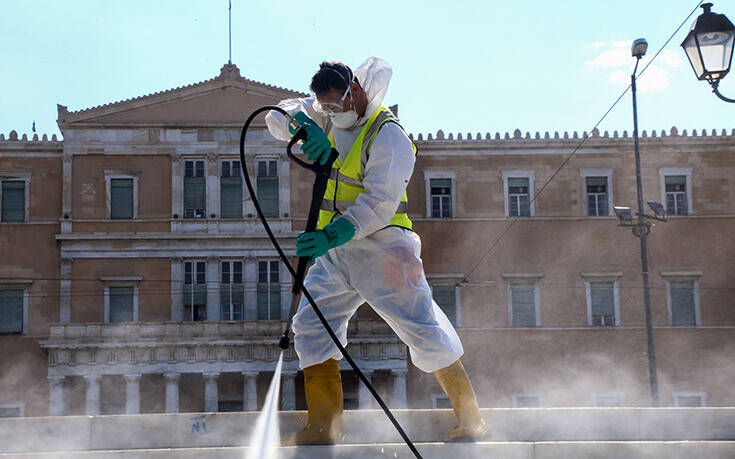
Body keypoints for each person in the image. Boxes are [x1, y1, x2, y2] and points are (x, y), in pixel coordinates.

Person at [265, 56, 487, 445]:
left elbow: (379, 202)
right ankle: (323, 427)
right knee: (311, 325)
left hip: (384, 247)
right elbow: (279, 114)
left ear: (355, 91)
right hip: (335, 252)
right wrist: (299, 125)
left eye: (336, 105)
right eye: (325, 108)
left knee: (421, 328)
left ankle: (470, 420)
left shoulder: (389, 136)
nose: (332, 113)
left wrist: (333, 234)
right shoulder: (325, 115)